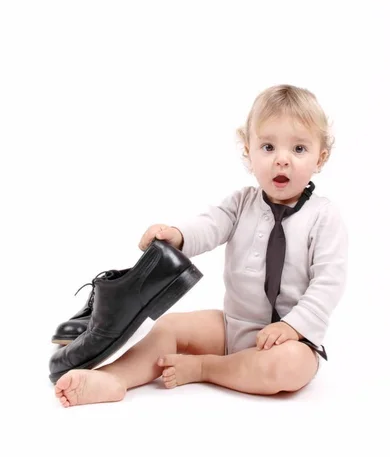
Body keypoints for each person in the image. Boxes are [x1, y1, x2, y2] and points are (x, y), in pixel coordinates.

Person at [55, 84, 348, 407]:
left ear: (321, 157)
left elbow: (328, 282)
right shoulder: (241, 203)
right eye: (268, 147)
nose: (282, 160)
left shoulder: (324, 216)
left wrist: (295, 326)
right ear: (248, 152)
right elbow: (209, 225)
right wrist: (177, 236)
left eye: (298, 149)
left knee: (288, 367)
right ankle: (114, 378)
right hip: (232, 326)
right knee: (169, 328)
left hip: (289, 340)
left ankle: (206, 368)